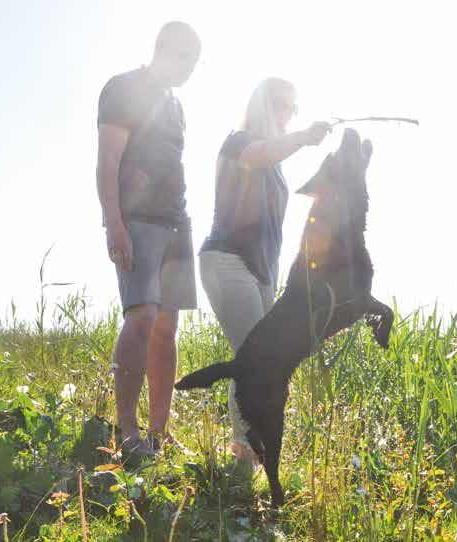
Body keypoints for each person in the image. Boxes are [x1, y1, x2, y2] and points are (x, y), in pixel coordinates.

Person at [199, 77, 331, 461]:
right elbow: (260, 154)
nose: (286, 114)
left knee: (253, 359)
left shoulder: (277, 164)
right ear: (260, 103)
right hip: (227, 261)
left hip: (261, 271)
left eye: (293, 108)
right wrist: (304, 137)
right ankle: (249, 458)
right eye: (279, 104)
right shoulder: (238, 141)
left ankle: (245, 458)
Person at [96, 21, 201, 460]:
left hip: (177, 222)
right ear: (163, 50)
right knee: (141, 317)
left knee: (167, 327)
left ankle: (160, 431)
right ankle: (127, 432)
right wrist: (113, 223)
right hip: (138, 221)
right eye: (185, 60)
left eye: (195, 64)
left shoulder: (175, 106)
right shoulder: (123, 89)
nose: (189, 71)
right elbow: (107, 161)